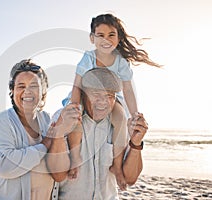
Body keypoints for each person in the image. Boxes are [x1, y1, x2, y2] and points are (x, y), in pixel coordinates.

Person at [66, 13, 160, 190]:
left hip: (111, 100)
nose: (106, 40)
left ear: (118, 38)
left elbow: (128, 89)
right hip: (84, 96)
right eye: (100, 35)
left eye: (111, 35)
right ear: (92, 38)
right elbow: (77, 85)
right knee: (74, 119)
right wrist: (74, 106)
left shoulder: (121, 61)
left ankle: (116, 164)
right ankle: (75, 156)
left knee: (120, 118)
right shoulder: (89, 57)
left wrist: (134, 114)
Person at [0, 59, 81, 200]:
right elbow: (4, 166)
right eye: (21, 86)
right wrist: (45, 145)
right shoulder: (1, 121)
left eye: (34, 86)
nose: (27, 91)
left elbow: (58, 172)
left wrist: (59, 135)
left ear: (43, 91)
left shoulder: (47, 121)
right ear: (12, 91)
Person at [46, 68, 149, 199]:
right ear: (83, 94)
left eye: (109, 96)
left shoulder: (121, 124)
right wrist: (59, 134)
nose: (103, 101)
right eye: (96, 94)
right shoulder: (64, 119)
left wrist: (136, 144)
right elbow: (58, 175)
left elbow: (130, 179)